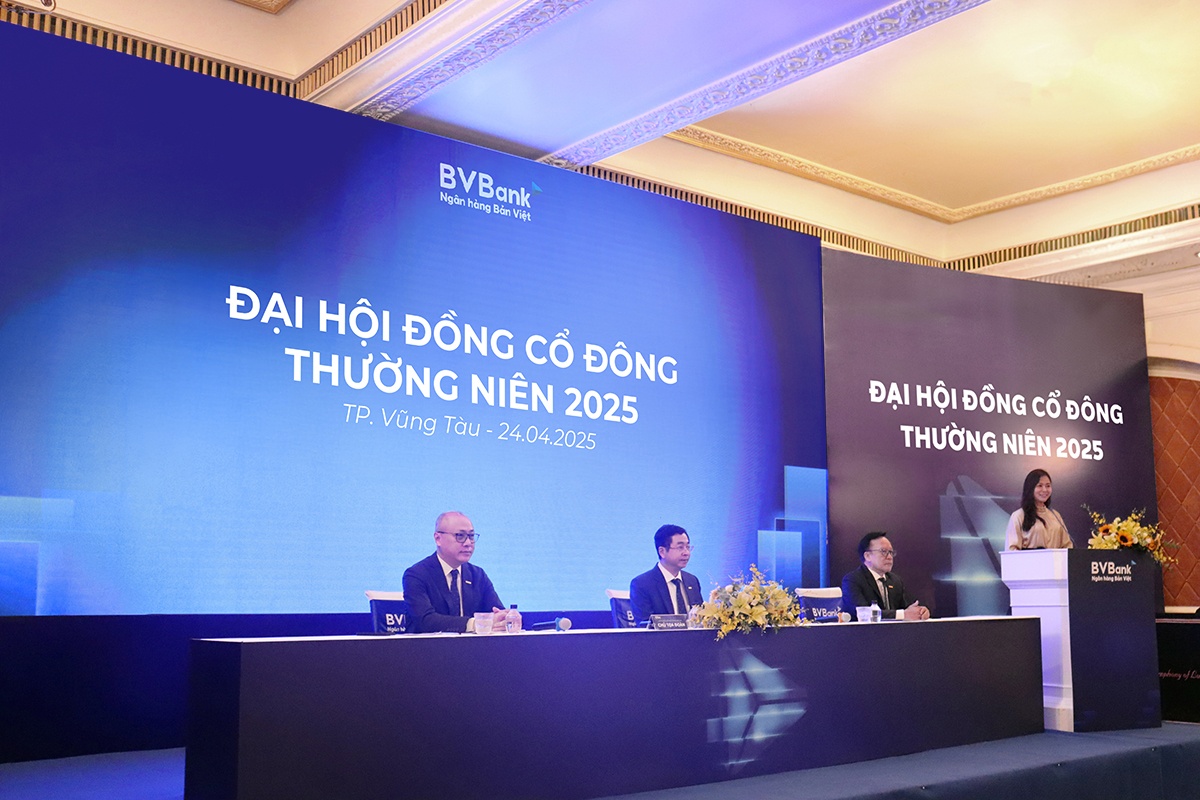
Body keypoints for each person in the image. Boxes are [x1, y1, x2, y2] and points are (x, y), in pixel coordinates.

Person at [402, 511, 509, 633]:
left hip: (473, 645)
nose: (468, 543)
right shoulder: (416, 575)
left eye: (471, 536)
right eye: (460, 536)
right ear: (438, 539)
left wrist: (505, 618)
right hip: (430, 645)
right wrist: (474, 624)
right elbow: (425, 621)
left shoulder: (477, 575)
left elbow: (496, 611)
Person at [841, 532, 929, 620]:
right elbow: (863, 613)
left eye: (891, 552)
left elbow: (904, 610)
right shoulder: (852, 580)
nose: (890, 557)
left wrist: (919, 612)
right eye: (883, 551)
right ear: (867, 556)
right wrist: (902, 614)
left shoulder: (895, 581)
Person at [629, 524, 704, 625]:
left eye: (687, 547)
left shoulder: (692, 581)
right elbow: (645, 625)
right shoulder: (642, 584)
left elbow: (701, 619)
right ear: (662, 551)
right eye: (680, 547)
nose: (686, 553)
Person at [1005, 468, 1072, 550]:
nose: (1045, 490)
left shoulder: (1055, 515)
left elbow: (1067, 545)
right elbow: (1012, 550)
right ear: (1030, 489)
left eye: (1048, 486)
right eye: (1040, 486)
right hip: (1029, 559)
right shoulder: (1018, 516)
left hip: (1056, 559)